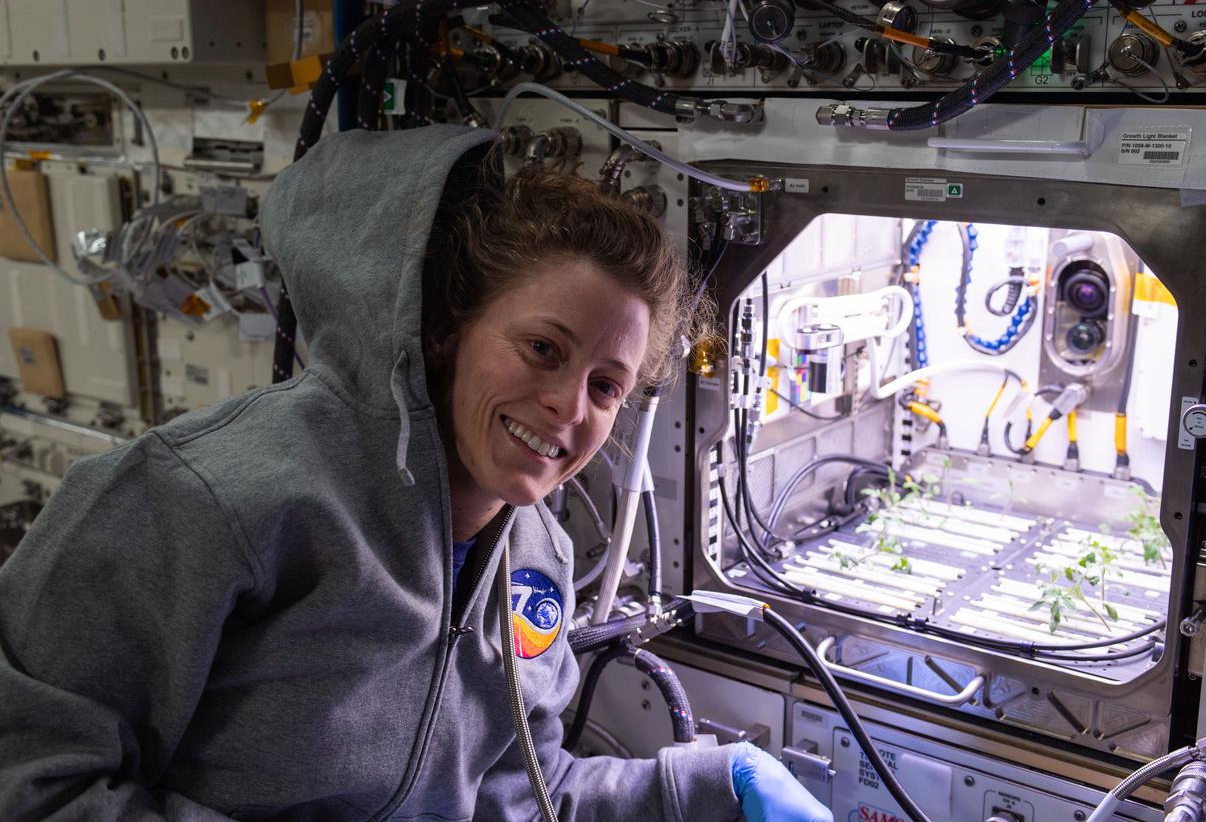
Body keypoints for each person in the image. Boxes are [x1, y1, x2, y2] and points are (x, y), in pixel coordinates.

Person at [0, 125, 830, 821]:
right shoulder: (203, 499)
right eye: (543, 348)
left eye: (606, 386)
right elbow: (29, 779)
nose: (568, 407)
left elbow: (519, 796)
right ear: (443, 330)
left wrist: (709, 786)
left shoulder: (536, 557)